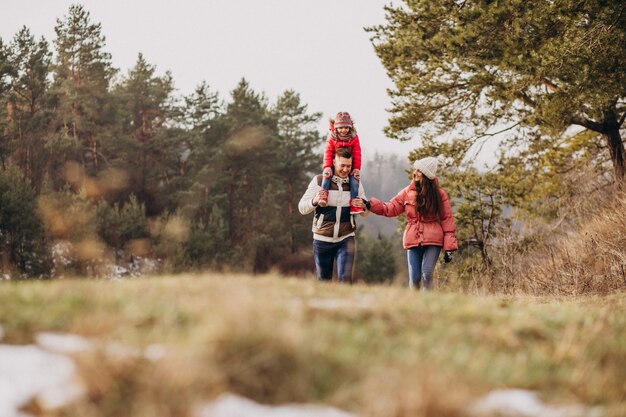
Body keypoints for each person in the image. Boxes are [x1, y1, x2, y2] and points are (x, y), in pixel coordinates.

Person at [363, 156, 458, 290]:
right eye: (416, 170)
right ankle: (414, 305)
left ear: (427, 174)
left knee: (427, 274)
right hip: (413, 238)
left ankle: (428, 306)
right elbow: (390, 208)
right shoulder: (407, 192)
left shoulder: (439, 194)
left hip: (434, 240)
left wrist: (449, 248)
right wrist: (370, 205)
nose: (415, 173)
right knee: (414, 279)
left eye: (419, 171)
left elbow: (447, 219)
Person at [299, 147, 368, 283]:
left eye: (349, 166)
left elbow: (365, 213)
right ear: (333, 162)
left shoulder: (355, 184)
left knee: (345, 280)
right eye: (342, 165)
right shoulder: (319, 181)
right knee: (324, 281)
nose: (345, 169)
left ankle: (345, 304)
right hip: (322, 239)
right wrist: (315, 201)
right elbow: (301, 208)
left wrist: (364, 206)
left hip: (346, 238)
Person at [318, 112, 363, 214]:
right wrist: (327, 166)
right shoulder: (332, 137)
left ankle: (354, 202)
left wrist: (356, 168)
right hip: (335, 163)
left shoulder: (353, 137)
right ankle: (324, 195)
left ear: (350, 128)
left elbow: (357, 153)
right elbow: (328, 151)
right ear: (336, 128)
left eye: (346, 128)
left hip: (348, 162)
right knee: (327, 174)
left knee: (354, 179)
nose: (344, 130)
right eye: (341, 128)